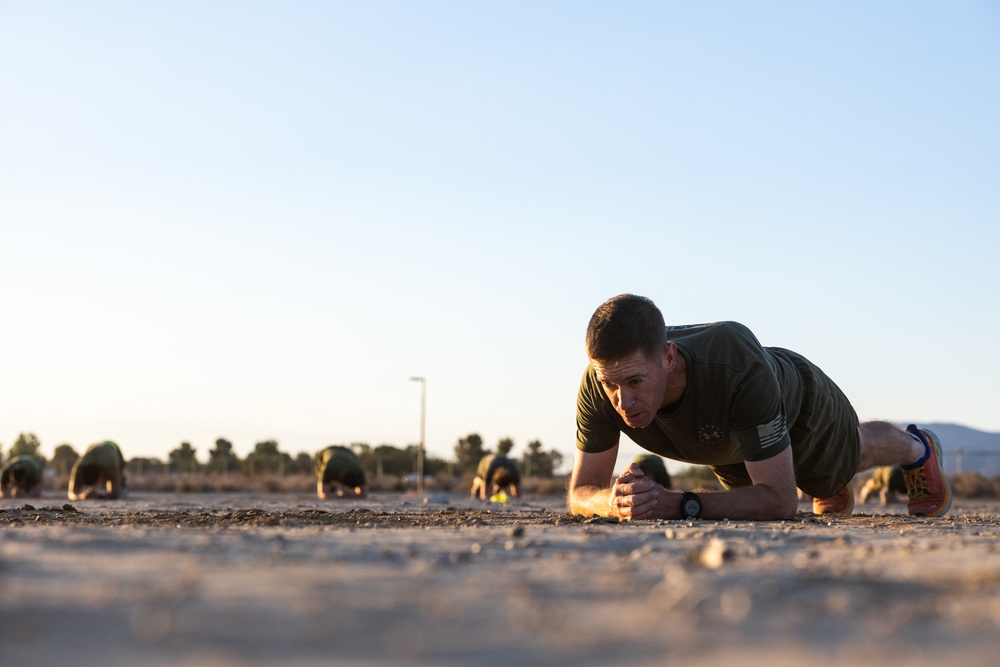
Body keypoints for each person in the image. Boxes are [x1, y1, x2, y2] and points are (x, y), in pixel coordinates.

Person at [569, 294, 952, 521]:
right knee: (745, 504)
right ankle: (824, 482)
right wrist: (613, 502)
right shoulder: (601, 382)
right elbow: (580, 492)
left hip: (800, 405)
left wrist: (673, 504)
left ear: (668, 358)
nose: (623, 401)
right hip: (727, 444)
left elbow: (782, 502)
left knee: (849, 455)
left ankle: (916, 448)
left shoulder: (734, 365)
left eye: (636, 382)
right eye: (610, 385)